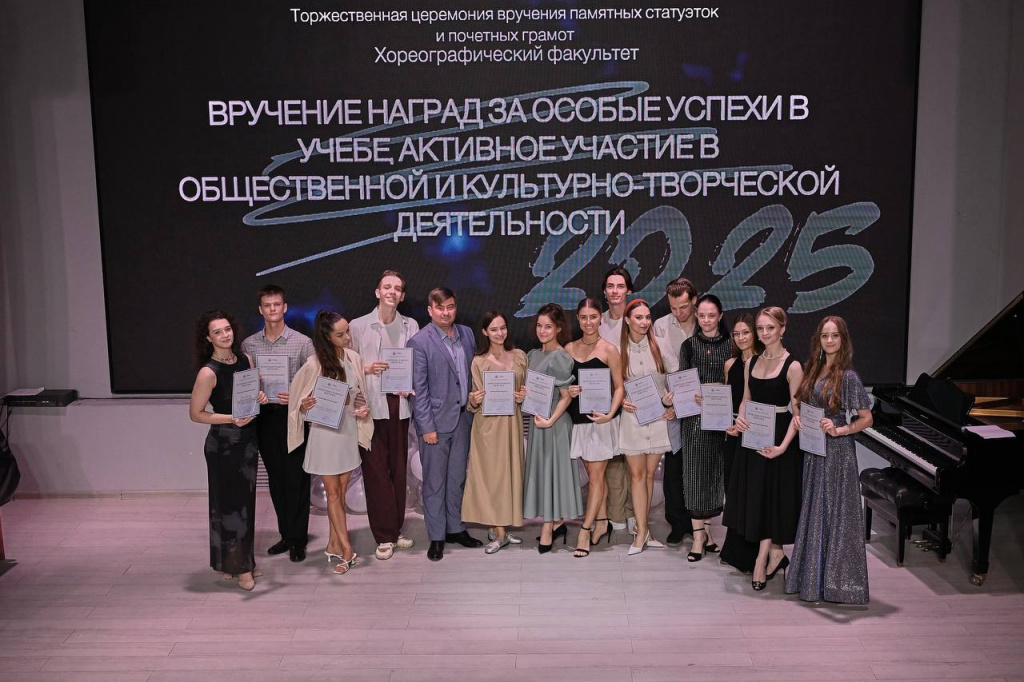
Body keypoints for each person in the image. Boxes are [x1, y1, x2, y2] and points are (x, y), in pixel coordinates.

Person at [786, 316, 873, 604]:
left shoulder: (848, 376)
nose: (830, 340)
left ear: (843, 340)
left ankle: (840, 585)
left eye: (835, 335)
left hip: (837, 453)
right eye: (825, 335)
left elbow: (866, 418)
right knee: (815, 509)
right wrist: (798, 416)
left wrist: (840, 429)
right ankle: (812, 580)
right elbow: (801, 402)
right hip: (813, 450)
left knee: (836, 513)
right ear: (819, 339)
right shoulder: (814, 368)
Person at [287, 312, 372, 575]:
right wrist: (304, 405)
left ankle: (333, 544)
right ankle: (347, 550)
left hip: (346, 431)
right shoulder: (314, 364)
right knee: (333, 494)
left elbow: (358, 396)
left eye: (347, 331)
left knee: (341, 493)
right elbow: (297, 401)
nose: (347, 337)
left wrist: (362, 407)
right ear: (327, 337)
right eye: (340, 334)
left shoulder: (354, 358)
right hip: (324, 435)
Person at [189, 310, 268, 591]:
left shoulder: (245, 360)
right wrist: (231, 418)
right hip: (223, 444)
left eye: (227, 329)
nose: (225, 335)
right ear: (208, 338)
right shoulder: (208, 372)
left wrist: (259, 397)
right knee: (230, 507)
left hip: (247, 440)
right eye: (218, 332)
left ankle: (233, 563)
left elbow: (250, 398)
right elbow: (196, 414)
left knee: (244, 505)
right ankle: (242, 568)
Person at [728, 306, 804, 591]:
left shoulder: (793, 366)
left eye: (770, 327)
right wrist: (739, 421)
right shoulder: (751, 362)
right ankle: (775, 554)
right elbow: (746, 399)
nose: (764, 333)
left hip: (779, 442)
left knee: (772, 502)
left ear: (782, 329)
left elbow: (797, 414)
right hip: (753, 439)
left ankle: (761, 560)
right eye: (760, 328)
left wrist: (782, 447)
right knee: (757, 500)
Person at [349, 270, 420, 561]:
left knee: (398, 470)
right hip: (369, 407)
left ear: (402, 296)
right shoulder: (357, 326)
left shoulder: (410, 325)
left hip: (399, 406)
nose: (392, 291)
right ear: (377, 292)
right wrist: (366, 369)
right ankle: (383, 535)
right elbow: (346, 365)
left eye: (397, 288)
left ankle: (396, 528)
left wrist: (409, 383)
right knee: (375, 472)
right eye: (387, 287)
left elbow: (415, 363)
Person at [241, 285, 315, 562]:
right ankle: (285, 534)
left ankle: (298, 539)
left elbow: (314, 383)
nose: (272, 309)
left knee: (297, 478)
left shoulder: (302, 342)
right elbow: (245, 383)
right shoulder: (248, 345)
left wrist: (295, 396)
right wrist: (254, 392)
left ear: (285, 308)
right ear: (260, 310)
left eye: (277, 304)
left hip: (293, 416)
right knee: (276, 478)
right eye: (267, 305)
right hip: (264, 417)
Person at [407, 287, 482, 561]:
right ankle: (437, 536)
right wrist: (426, 427)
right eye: (440, 308)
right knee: (434, 482)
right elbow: (419, 390)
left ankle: (456, 528)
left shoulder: (467, 334)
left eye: (450, 306)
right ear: (430, 310)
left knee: (457, 479)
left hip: (463, 418)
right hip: (435, 424)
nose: (446, 312)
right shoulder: (419, 342)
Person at [463, 311, 528, 554]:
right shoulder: (478, 362)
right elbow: (472, 401)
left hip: (512, 425)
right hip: (488, 428)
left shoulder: (520, 356)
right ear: (484, 332)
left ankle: (499, 528)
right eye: (494, 329)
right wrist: (474, 399)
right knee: (491, 478)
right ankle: (500, 534)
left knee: (509, 476)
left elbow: (527, 391)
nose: (500, 333)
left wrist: (524, 396)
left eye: (502, 328)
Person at [565, 297, 625, 557]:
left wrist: (609, 414)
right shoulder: (569, 348)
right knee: (593, 476)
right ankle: (602, 521)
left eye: (593, 317)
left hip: (601, 421)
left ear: (600, 318)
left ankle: (585, 530)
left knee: (597, 477)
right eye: (583, 317)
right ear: (578, 319)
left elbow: (619, 387)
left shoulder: (610, 349)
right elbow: (563, 385)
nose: (588, 322)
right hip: (578, 421)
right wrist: (568, 390)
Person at [675, 294, 731, 561]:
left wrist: (719, 389)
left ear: (720, 316)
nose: (706, 320)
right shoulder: (689, 346)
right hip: (694, 421)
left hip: (721, 422)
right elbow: (682, 383)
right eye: (702, 315)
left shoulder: (732, 345)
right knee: (694, 477)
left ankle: (707, 533)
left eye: (711, 315)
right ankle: (698, 537)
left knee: (713, 477)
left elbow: (738, 383)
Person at [522, 303, 582, 553]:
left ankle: (548, 528)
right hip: (539, 423)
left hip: (554, 424)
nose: (542, 331)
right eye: (539, 326)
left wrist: (550, 420)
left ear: (558, 329)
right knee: (544, 474)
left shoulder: (560, 356)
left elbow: (566, 396)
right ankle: (556, 524)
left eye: (548, 326)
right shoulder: (533, 355)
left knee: (552, 474)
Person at [618, 299, 675, 555]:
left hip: (658, 419)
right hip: (632, 421)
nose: (644, 322)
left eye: (647, 317)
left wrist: (672, 402)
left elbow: (677, 377)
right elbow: (614, 384)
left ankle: (645, 529)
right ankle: (640, 532)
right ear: (627, 320)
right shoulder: (618, 349)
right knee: (637, 476)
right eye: (638, 317)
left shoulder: (660, 345)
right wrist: (622, 401)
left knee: (650, 475)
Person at [654, 277, 698, 547]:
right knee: (674, 465)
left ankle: (699, 523)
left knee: (699, 465)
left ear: (694, 300)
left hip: (701, 404)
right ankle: (677, 523)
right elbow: (659, 370)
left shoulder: (706, 321)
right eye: (673, 308)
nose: (679, 312)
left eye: (683, 307)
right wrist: (667, 403)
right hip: (672, 406)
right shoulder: (660, 326)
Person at [718, 312, 762, 572]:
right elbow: (726, 400)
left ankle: (752, 552)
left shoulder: (763, 363)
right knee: (732, 491)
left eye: (746, 332)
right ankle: (733, 549)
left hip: (755, 432)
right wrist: (725, 422)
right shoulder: (730, 364)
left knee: (750, 492)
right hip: (732, 434)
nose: (741, 337)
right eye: (736, 334)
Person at [598, 266, 635, 534]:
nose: (615, 291)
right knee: (612, 459)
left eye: (620, 286)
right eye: (610, 286)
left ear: (628, 290)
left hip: (633, 398)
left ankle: (633, 512)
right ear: (604, 291)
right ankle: (615, 514)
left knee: (634, 458)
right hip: (605, 398)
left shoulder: (638, 319)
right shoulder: (596, 321)